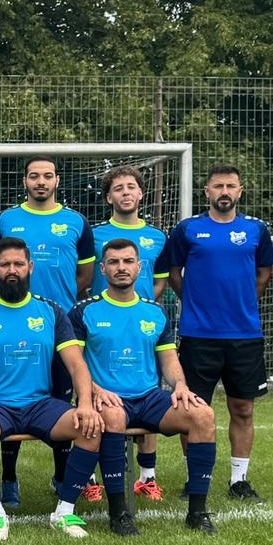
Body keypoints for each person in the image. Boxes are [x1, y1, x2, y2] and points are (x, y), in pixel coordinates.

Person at [0, 238, 119, 541]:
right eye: (5, 264)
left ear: (30, 267)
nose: (12, 270)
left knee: (90, 427)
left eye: (18, 264)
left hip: (40, 405)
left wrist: (85, 403)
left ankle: (64, 512)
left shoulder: (51, 312)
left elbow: (76, 364)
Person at [69, 239, 220, 536]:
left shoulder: (154, 312)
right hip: (108, 398)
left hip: (149, 399)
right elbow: (75, 362)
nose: (121, 268)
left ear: (139, 267)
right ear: (102, 269)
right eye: (113, 262)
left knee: (204, 415)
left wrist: (180, 385)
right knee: (111, 416)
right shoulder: (84, 311)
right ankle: (119, 514)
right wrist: (95, 390)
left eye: (127, 262)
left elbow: (169, 360)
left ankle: (198, 512)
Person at [159, 163, 273, 501]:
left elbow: (264, 273)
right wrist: (195, 302)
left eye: (231, 186)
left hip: (244, 335)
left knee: (243, 409)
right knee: (193, 409)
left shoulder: (256, 230)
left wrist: (240, 303)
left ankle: (239, 479)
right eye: (218, 186)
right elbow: (174, 272)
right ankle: (195, 477)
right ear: (206, 191)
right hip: (199, 335)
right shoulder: (188, 229)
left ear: (240, 191)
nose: (224, 192)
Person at [0, 156, 96, 507]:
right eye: (34, 176)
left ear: (57, 180)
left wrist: (59, 304)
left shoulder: (76, 222)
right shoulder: (7, 219)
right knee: (12, 397)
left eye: (47, 176)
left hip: (59, 325)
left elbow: (84, 276)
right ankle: (9, 479)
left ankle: (62, 474)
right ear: (25, 181)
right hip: (15, 322)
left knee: (59, 401)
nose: (41, 182)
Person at [86, 164, 171, 504]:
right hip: (104, 323)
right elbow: (83, 275)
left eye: (130, 186)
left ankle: (147, 477)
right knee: (95, 397)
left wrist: (142, 309)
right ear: (109, 197)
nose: (125, 192)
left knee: (147, 385)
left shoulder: (157, 237)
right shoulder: (93, 235)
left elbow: (161, 279)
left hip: (142, 324)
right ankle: (91, 478)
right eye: (118, 187)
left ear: (140, 193)